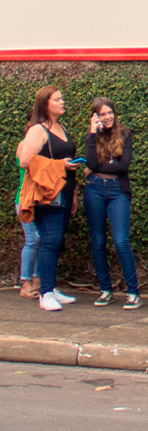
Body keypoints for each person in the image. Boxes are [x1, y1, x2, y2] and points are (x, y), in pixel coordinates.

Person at [16, 87, 84, 312]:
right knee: (50, 239)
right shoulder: (37, 130)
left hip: (64, 192)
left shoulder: (61, 127)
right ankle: (45, 294)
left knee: (55, 242)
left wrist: (73, 193)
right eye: (57, 99)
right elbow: (26, 160)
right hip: (47, 194)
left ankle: (50, 287)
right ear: (46, 104)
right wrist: (60, 165)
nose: (62, 102)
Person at [82, 97, 141, 309]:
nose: (107, 118)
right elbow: (89, 162)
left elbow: (123, 166)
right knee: (97, 241)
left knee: (121, 241)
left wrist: (96, 168)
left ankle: (133, 292)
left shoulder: (124, 133)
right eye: (102, 114)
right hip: (94, 190)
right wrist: (92, 133)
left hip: (117, 190)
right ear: (95, 117)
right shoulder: (92, 137)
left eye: (109, 113)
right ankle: (105, 290)